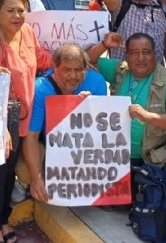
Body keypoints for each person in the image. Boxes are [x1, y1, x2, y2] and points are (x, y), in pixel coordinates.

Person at [0, 0, 52, 243]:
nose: (17, 15)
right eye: (10, 10)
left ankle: (3, 219)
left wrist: (77, 59)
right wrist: (1, 127)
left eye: (21, 10)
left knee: (8, 174)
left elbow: (42, 60)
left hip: (21, 114)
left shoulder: (26, 31)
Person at [88, 32, 166, 186]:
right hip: (117, 153)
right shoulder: (120, 69)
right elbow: (85, 61)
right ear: (126, 56)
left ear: (155, 55)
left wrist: (147, 116)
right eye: (134, 53)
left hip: (155, 154)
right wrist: (104, 45)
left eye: (146, 52)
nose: (141, 58)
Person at [23, 43, 108, 202]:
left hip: (83, 143)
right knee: (30, 174)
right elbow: (31, 136)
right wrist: (36, 178)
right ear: (54, 66)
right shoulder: (41, 89)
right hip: (49, 142)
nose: (73, 76)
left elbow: (105, 131)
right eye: (67, 70)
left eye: (78, 70)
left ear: (86, 68)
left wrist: (90, 108)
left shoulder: (96, 82)